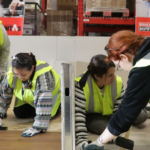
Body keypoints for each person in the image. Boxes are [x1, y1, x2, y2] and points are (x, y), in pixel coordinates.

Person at [83, 30, 150, 150]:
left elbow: (125, 115)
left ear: (124, 57)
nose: (122, 70)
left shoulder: (142, 70)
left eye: (118, 66)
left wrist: (98, 142)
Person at [75, 54, 147, 150]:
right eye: (110, 75)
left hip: (113, 112)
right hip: (93, 115)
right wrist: (82, 141)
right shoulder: (81, 85)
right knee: (101, 127)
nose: (114, 77)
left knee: (142, 116)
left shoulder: (117, 82)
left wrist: (117, 128)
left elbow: (121, 113)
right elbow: (78, 116)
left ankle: (146, 109)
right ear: (97, 76)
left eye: (114, 73)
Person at [0, 52, 61, 137]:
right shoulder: (12, 72)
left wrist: (38, 126)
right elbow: (3, 94)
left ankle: (58, 106)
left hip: (48, 96)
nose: (20, 77)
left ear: (32, 68)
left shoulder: (43, 75)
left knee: (42, 116)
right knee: (20, 114)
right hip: (27, 95)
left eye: (23, 75)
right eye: (17, 74)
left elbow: (44, 100)